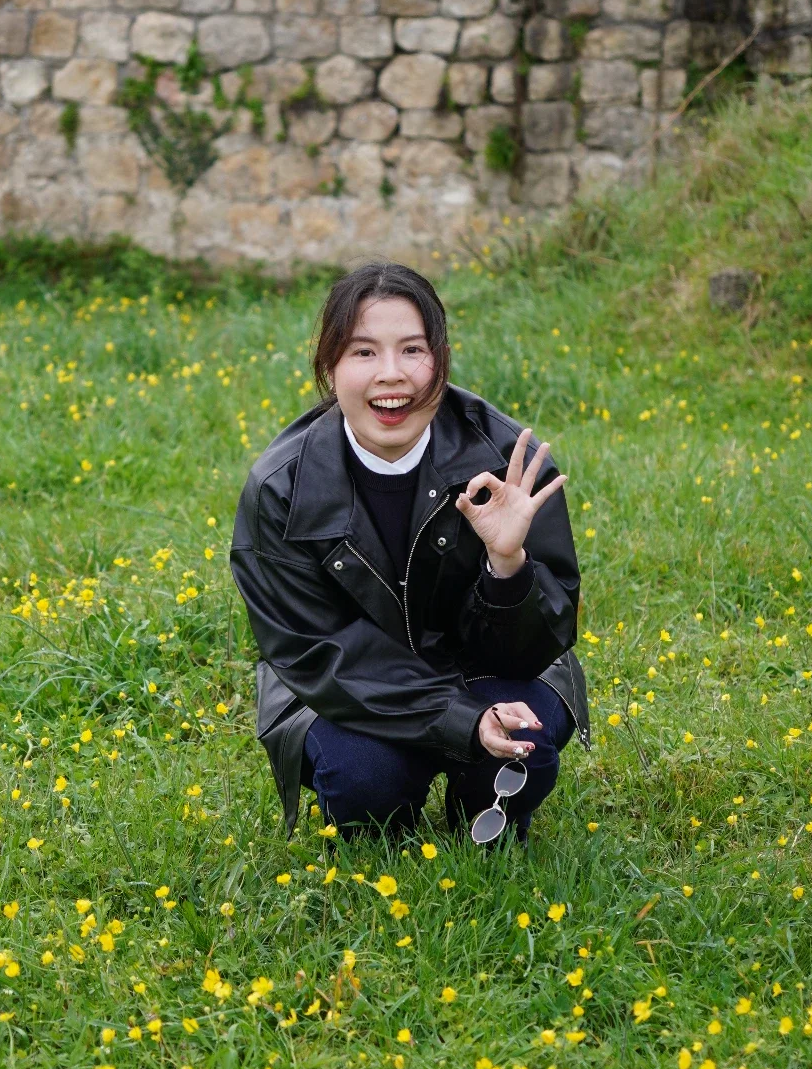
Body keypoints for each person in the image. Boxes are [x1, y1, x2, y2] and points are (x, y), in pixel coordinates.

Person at [230, 261, 588, 841]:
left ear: (441, 360)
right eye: (363, 353)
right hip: (348, 692)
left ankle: (483, 814)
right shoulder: (281, 488)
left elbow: (538, 648)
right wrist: (461, 721)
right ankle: (387, 804)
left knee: (523, 746)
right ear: (329, 366)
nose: (390, 376)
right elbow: (316, 655)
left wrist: (506, 567)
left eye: (413, 350)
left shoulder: (507, 462)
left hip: (490, 671)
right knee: (366, 784)